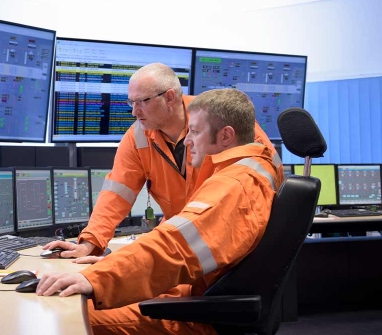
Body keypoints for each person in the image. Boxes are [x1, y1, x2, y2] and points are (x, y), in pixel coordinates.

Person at [36, 88, 279, 335]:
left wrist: (97, 278)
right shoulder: (240, 166)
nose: (187, 140)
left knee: (65, 316)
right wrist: (100, 250)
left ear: (226, 136)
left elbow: (176, 246)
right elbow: (117, 195)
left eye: (194, 132)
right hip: (196, 284)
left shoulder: (233, 185)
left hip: (199, 309)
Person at [44, 63, 282, 262]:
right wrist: (89, 243)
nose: (135, 112)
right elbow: (116, 194)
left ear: (169, 97)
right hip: (183, 242)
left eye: (142, 102)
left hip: (229, 245)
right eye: (131, 103)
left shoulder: (221, 122)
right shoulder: (137, 136)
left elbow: (268, 179)